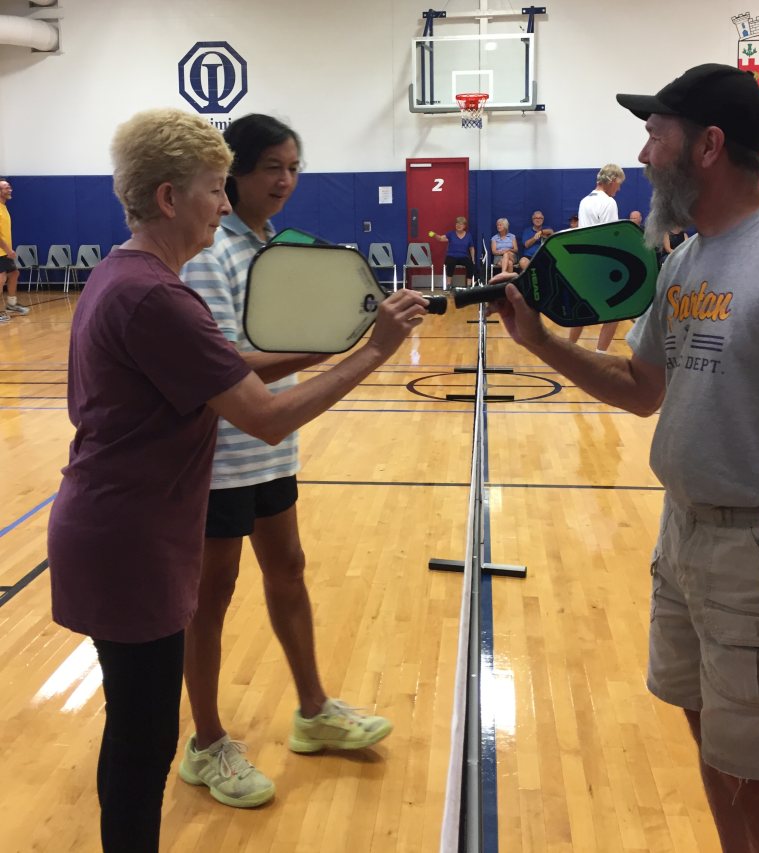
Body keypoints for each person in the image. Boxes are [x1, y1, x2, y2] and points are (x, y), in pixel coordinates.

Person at [47, 108, 429, 852]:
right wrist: (375, 349)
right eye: (217, 188)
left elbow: (225, 371)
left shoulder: (125, 275)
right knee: (143, 741)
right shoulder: (158, 297)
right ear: (168, 198)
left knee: (139, 730)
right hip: (129, 540)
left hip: (118, 529)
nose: (226, 205)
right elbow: (264, 418)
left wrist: (340, 341)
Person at [491, 63, 759, 851]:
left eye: (656, 133)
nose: (642, 151)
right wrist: (542, 342)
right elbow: (639, 387)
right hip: (684, 534)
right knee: (714, 749)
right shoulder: (686, 261)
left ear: (708, 145)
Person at [179, 113, 394, 809]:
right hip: (221, 454)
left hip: (274, 444)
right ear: (232, 173)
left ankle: (312, 710)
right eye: (272, 166)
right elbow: (227, 364)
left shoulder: (276, 246)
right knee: (211, 595)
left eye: (294, 167)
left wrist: (345, 331)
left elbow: (288, 339)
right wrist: (343, 345)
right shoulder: (209, 254)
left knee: (290, 570)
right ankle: (206, 742)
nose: (285, 180)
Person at [569, 164, 626, 352]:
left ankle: (568, 350)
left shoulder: (585, 200)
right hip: (601, 264)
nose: (619, 189)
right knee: (615, 312)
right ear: (611, 181)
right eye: (618, 184)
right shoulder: (608, 203)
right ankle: (600, 357)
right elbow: (609, 237)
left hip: (583, 263)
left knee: (583, 311)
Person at [0, 179, 29, 322]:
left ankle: (11, 304)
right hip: (1, 252)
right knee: (0, 280)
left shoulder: (4, 207)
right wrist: (7, 249)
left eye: (9, 187)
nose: (9, 189)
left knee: (14, 274)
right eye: (6, 188)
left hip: (5, 252)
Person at [430, 216, 476, 285]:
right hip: (452, 255)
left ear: (464, 226)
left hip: (463, 256)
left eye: (460, 224)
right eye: (457, 223)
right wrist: (434, 235)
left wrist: (472, 258)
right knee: (450, 262)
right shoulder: (451, 234)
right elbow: (440, 238)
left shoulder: (468, 235)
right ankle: (448, 285)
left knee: (470, 264)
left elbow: (471, 248)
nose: (458, 225)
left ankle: (469, 285)